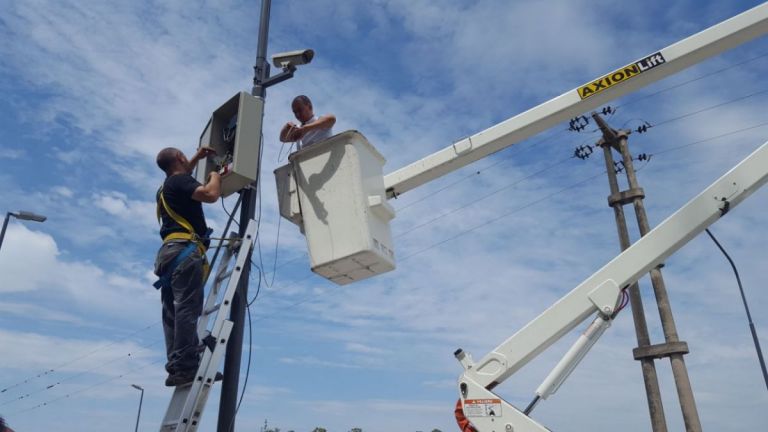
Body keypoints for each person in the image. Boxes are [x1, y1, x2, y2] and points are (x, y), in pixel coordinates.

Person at [154, 146, 220, 386]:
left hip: (169, 255)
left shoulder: (166, 187)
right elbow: (211, 195)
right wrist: (217, 174)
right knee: (186, 309)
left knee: (173, 312)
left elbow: (184, 173)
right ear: (179, 158)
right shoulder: (180, 181)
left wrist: (197, 158)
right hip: (185, 252)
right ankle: (186, 366)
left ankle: (177, 366)